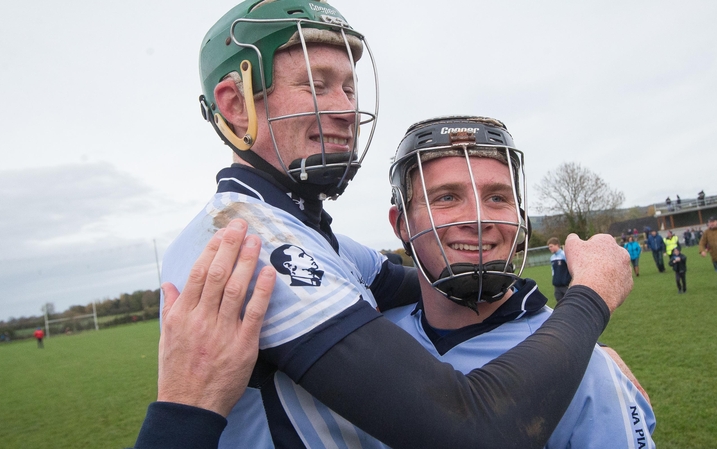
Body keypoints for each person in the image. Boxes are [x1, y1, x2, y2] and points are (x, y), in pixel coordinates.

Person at [136, 1, 634, 447]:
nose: (345, 109)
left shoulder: (307, 234)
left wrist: (556, 342)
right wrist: (588, 303)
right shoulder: (248, 239)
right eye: (317, 84)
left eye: (350, 87)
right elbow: (474, 429)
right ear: (235, 104)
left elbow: (428, 280)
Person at [384, 116, 655, 448]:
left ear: (520, 216)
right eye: (447, 198)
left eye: (497, 198)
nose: (478, 219)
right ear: (401, 224)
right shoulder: (369, 337)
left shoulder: (588, 371)